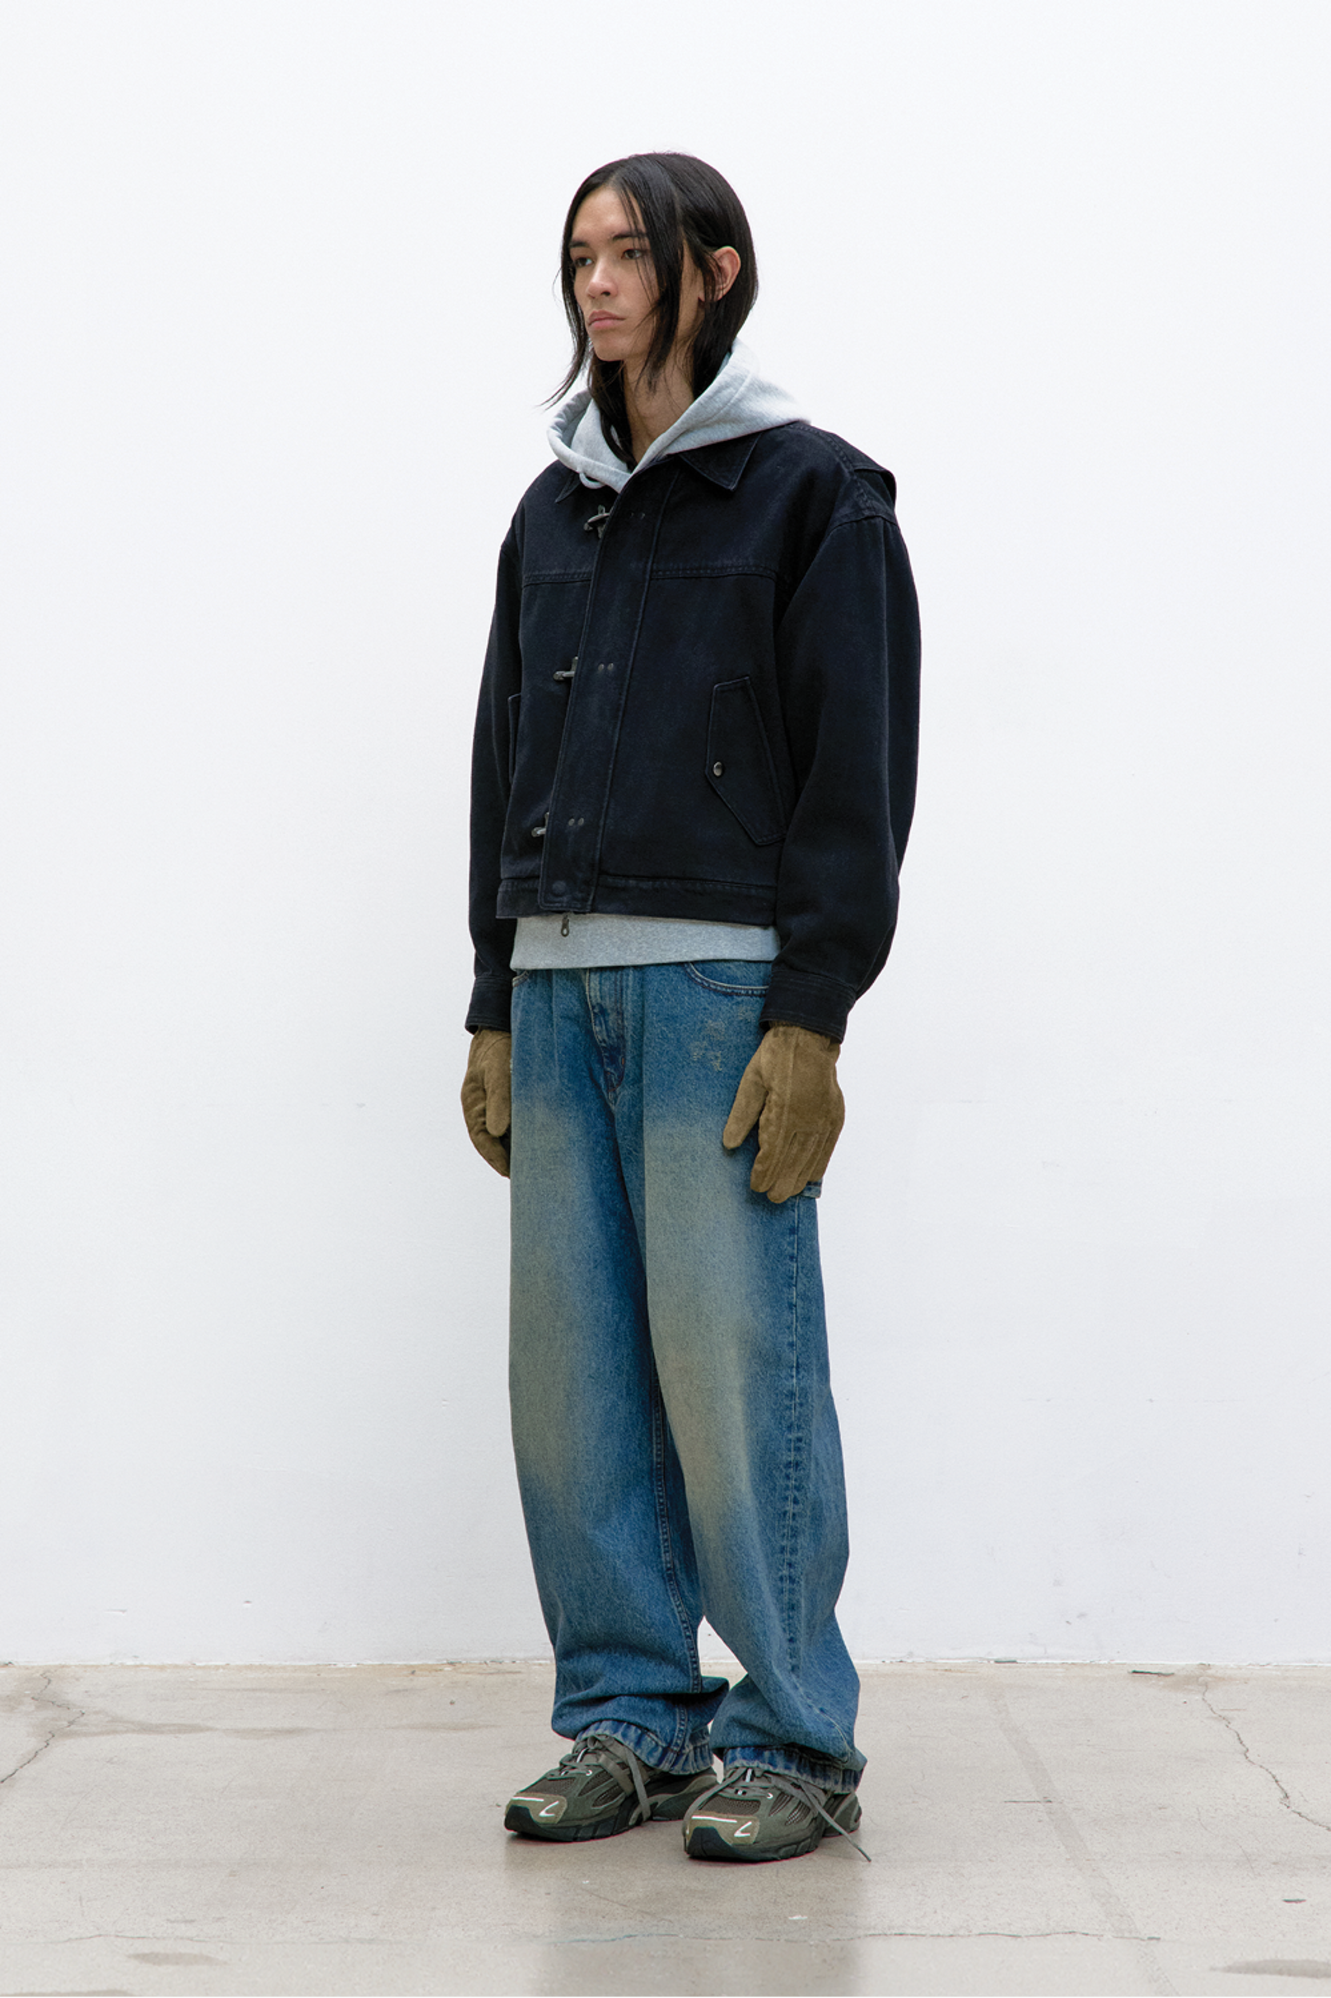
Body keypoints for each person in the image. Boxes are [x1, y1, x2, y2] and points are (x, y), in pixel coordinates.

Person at [462, 152, 920, 1864]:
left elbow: (857, 769)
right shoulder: (551, 510)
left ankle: (793, 1733)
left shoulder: (812, 494)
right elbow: (502, 755)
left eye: (628, 255)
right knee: (571, 1384)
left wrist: (814, 1012)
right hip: (556, 981)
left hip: (719, 984)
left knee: (735, 1371)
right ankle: (630, 1717)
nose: (596, 283)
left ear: (711, 271)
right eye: (577, 255)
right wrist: (491, 996)